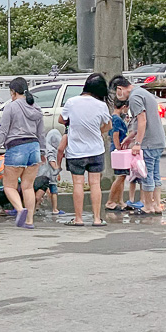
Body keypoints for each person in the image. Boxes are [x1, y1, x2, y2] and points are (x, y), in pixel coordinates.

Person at [57, 73, 112, 226]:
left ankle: (78, 219)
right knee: (95, 184)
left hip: (76, 151)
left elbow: (62, 119)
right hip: (96, 150)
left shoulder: (72, 102)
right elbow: (108, 125)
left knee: (78, 184)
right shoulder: (101, 105)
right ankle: (96, 219)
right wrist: (97, 130)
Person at [0, 77, 45, 229]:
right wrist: (43, 152)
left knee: (9, 185)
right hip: (34, 148)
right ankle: (29, 221)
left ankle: (20, 210)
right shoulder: (37, 108)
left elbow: (3, 129)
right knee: (28, 187)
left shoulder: (11, 107)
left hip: (16, 147)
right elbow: (41, 133)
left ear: (13, 92)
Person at [110, 75, 165, 215]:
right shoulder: (142, 92)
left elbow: (142, 120)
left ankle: (147, 206)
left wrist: (138, 143)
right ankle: (157, 205)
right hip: (158, 140)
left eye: (116, 92)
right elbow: (139, 125)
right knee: (156, 174)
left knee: (146, 175)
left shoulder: (134, 97)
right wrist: (130, 138)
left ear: (120, 89)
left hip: (148, 142)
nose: (117, 95)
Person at [106, 100, 130, 211]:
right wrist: (118, 147)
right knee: (120, 176)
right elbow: (115, 134)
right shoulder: (116, 119)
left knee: (123, 175)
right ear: (124, 106)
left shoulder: (114, 118)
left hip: (118, 148)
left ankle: (120, 200)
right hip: (118, 148)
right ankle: (111, 201)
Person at [35, 128, 64, 215]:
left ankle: (37, 207)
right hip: (50, 175)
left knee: (40, 192)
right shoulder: (52, 150)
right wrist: (57, 168)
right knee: (54, 192)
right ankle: (55, 209)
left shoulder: (44, 147)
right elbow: (51, 160)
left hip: (42, 174)